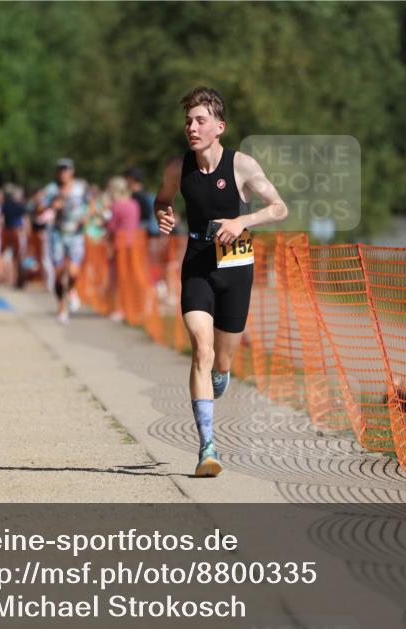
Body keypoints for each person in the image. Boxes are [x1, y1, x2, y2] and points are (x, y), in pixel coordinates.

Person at [155, 86, 288, 477]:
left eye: (200, 121)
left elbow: (279, 208)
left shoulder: (242, 166)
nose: (191, 128)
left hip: (236, 269)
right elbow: (162, 199)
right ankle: (207, 449)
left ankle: (220, 376)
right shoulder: (178, 167)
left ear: (219, 126)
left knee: (222, 362)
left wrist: (242, 220)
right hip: (197, 264)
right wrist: (163, 214)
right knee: (202, 348)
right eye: (188, 122)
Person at [37, 158, 89, 323]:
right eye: (60, 170)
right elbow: (38, 207)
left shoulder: (80, 188)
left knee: (73, 272)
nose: (63, 173)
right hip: (57, 234)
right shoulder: (51, 189)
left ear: (72, 171)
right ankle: (61, 307)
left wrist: (86, 217)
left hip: (76, 234)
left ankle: (72, 290)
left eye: (66, 169)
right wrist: (52, 206)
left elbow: (93, 204)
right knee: (59, 274)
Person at [104, 175, 141, 323]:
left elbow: (111, 226)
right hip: (134, 244)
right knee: (133, 276)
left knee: (119, 279)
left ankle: (119, 309)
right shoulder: (134, 204)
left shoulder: (116, 206)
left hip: (119, 245)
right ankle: (135, 307)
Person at [0, 184, 27, 288]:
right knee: (17, 257)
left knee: (6, 256)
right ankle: (16, 279)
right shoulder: (19, 205)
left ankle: (10, 278)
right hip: (16, 232)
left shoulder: (4, 206)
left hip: (7, 231)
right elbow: (25, 220)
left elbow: (1, 220)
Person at [125, 167, 159, 237]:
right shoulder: (148, 194)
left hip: (140, 233)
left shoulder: (136, 196)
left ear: (130, 179)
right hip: (151, 232)